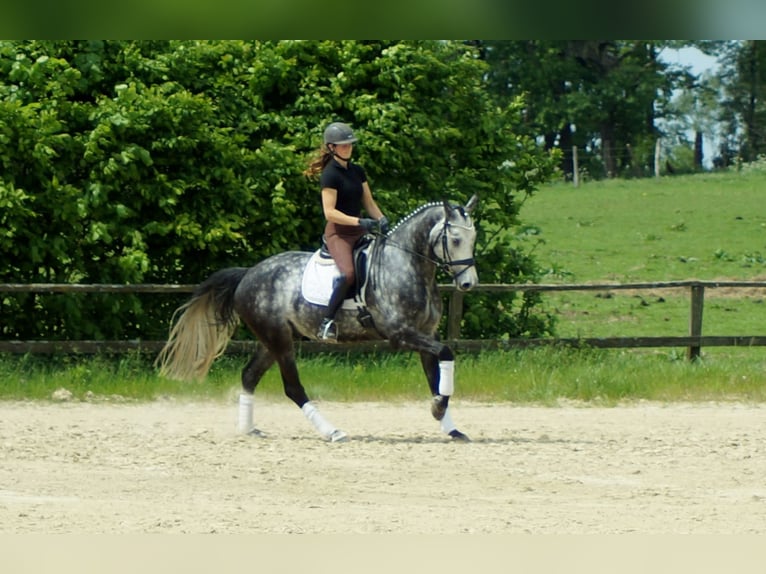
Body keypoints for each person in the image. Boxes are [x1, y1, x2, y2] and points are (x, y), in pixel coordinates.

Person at [304, 121, 389, 341]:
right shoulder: (330, 175)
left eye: (350, 144)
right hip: (339, 233)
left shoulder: (357, 171)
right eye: (343, 145)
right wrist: (358, 222)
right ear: (332, 147)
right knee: (348, 274)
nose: (348, 148)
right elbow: (329, 212)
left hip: (359, 231)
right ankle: (327, 321)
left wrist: (381, 219)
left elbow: (368, 202)